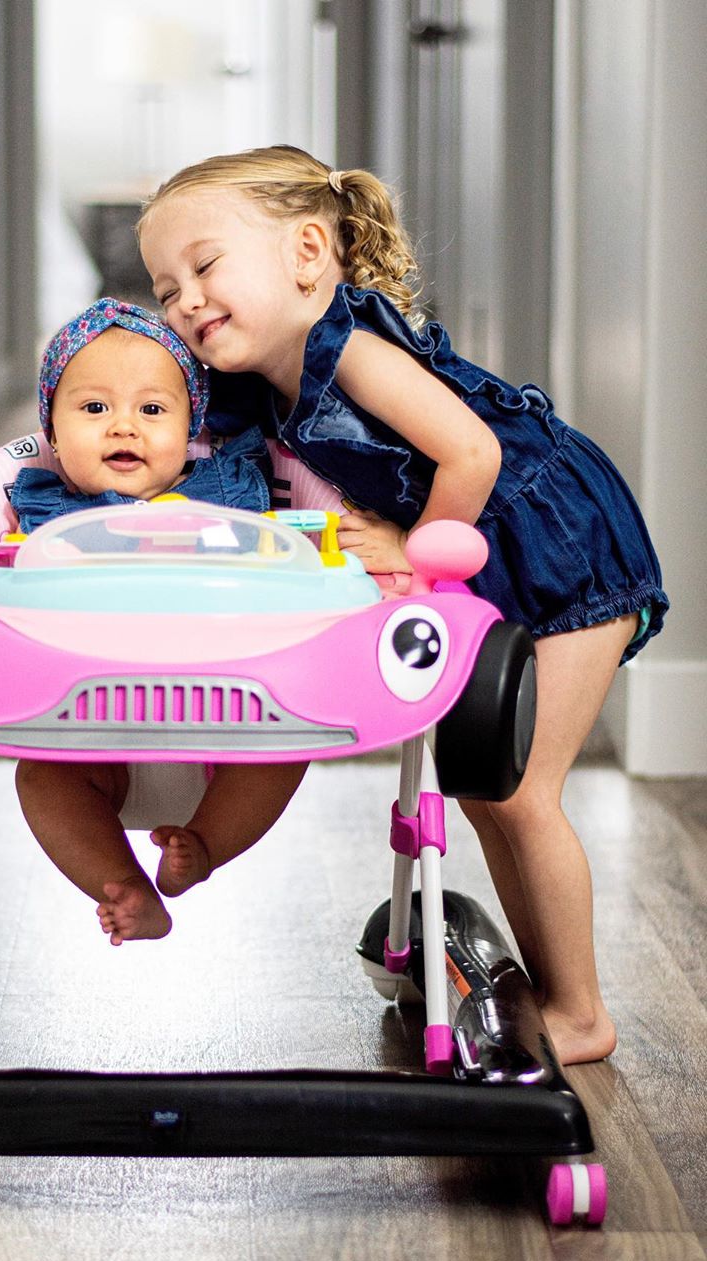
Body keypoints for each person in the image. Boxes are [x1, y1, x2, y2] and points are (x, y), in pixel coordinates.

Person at [137, 145, 668, 1064]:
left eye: (206, 265)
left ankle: (582, 1012)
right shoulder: (269, 378)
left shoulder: (349, 347)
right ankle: (546, 987)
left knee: (526, 792)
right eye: (165, 285)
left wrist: (417, 559)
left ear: (308, 253)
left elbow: (472, 456)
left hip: (559, 538)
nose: (185, 297)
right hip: (489, 547)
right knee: (483, 791)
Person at [0, 298, 308, 946]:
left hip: (228, 728)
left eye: (151, 410)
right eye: (94, 409)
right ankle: (127, 887)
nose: (124, 427)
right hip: (86, 734)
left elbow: (295, 572)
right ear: (54, 435)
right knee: (38, 778)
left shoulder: (237, 494)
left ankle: (201, 849)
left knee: (290, 746)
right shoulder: (33, 510)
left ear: (190, 427)